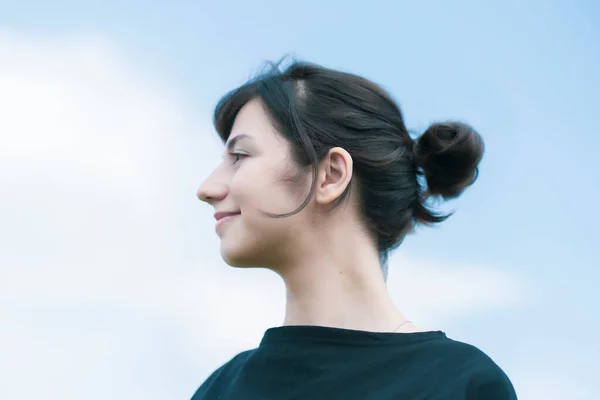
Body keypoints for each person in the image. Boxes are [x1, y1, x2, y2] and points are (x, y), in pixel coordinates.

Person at [192, 59, 517, 400]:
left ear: (330, 175)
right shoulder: (219, 390)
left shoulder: (461, 386)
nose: (207, 188)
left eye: (239, 156)